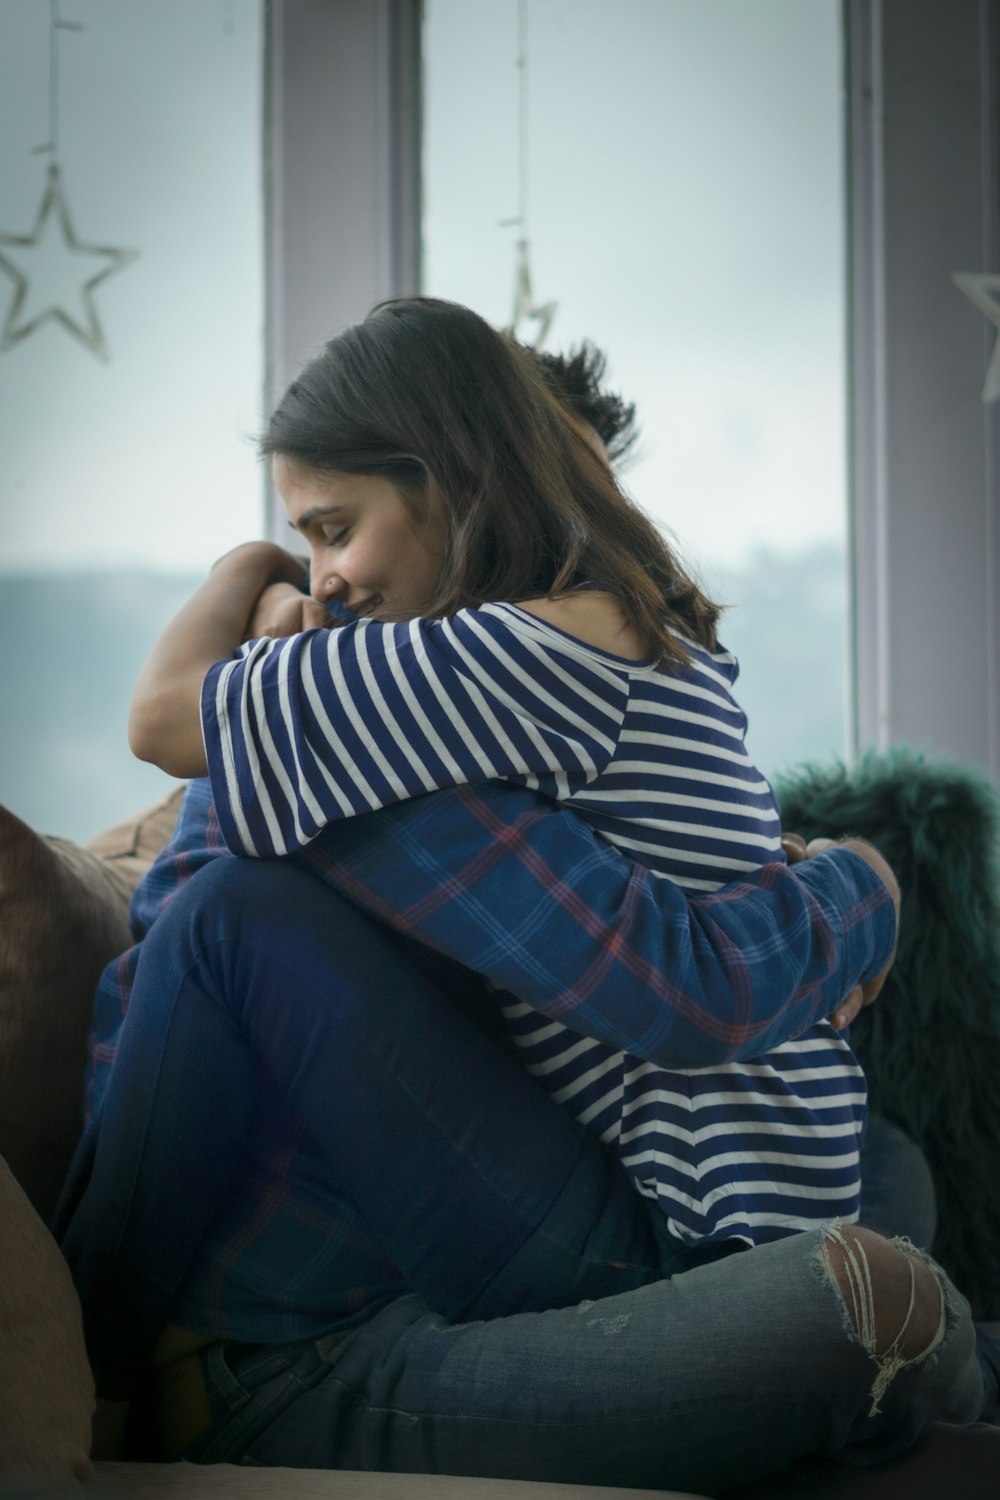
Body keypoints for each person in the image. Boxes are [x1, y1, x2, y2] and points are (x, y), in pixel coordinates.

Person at [55, 305, 985, 1491]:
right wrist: (861, 886)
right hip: (335, 1325)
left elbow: (684, 964)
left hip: (571, 1222)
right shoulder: (451, 697)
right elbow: (694, 984)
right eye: (313, 537)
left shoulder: (495, 681)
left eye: (341, 530)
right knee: (863, 1297)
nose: (334, 580)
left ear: (464, 491)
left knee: (883, 1171)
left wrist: (847, 883)